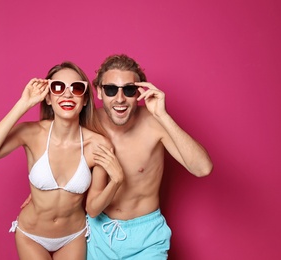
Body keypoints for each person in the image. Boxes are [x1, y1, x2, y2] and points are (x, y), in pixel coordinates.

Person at [0, 61, 124, 260]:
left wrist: (117, 181)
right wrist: (23, 104)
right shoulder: (31, 133)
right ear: (48, 98)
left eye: (77, 88)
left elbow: (93, 209)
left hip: (73, 237)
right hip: (31, 236)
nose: (67, 94)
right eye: (58, 87)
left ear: (86, 99)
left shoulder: (98, 144)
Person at [86, 54, 213, 259]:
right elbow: (58, 156)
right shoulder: (89, 123)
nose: (120, 99)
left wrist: (162, 115)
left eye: (129, 90)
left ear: (139, 92)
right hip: (99, 233)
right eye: (111, 89)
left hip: (146, 238)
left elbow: (202, 168)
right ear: (100, 92)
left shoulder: (154, 124)